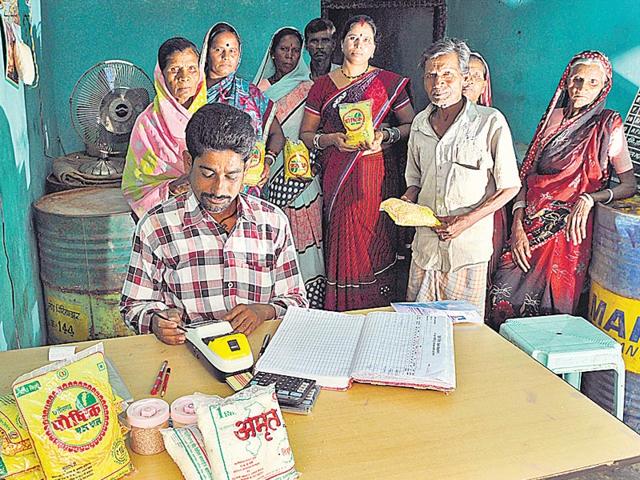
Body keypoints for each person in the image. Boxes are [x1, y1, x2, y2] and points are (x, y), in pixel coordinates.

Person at [120, 103, 308, 344]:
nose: (219, 189)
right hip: (188, 355)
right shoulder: (156, 226)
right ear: (188, 162)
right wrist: (156, 321)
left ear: (247, 167)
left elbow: (297, 301)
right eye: (207, 174)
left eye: (232, 176)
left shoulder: (271, 222)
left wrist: (265, 311)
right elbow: (133, 306)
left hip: (259, 353)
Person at [489, 51, 637, 328]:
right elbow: (526, 175)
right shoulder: (551, 119)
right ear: (566, 82)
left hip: (569, 233)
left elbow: (628, 185)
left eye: (593, 82)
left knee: (551, 317)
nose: (582, 88)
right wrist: (517, 226)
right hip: (529, 227)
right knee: (503, 298)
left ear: (604, 86)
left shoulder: (608, 125)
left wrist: (591, 199)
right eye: (577, 80)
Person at [300, 15, 415, 311]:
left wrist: (385, 134)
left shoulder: (388, 83)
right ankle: (342, 310)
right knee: (342, 234)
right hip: (338, 175)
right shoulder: (323, 86)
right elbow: (306, 134)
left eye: (365, 39)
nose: (358, 44)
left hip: (375, 176)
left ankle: (376, 306)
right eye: (353, 37)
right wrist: (332, 139)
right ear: (342, 44)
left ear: (374, 47)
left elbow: (411, 125)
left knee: (375, 237)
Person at [402, 38, 521, 317]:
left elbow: (509, 187)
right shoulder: (420, 123)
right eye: (431, 75)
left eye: (447, 74)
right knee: (418, 328)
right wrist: (407, 200)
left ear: (463, 77)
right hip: (426, 251)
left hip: (467, 253)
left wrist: (466, 220)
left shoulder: (489, 122)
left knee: (465, 337)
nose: (438, 83)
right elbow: (415, 178)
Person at [254, 27, 326, 308]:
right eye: (284, 49)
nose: (290, 55)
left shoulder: (310, 88)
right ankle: (279, 302)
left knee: (308, 238)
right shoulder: (258, 91)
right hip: (269, 175)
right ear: (273, 53)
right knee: (276, 238)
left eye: (296, 49)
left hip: (303, 179)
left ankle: (310, 301)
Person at [122, 37, 207, 218]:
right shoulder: (148, 124)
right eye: (174, 70)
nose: (184, 77)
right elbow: (136, 188)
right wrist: (172, 188)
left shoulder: (212, 117)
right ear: (161, 75)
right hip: (164, 216)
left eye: (192, 68)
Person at [200, 22, 285, 195]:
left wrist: (267, 161)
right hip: (205, 182)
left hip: (245, 187)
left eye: (232, 51)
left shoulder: (250, 93)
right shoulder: (193, 93)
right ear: (207, 53)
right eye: (219, 50)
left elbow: (278, 135)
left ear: (239, 56)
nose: (226, 56)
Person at [462, 51, 506, 291]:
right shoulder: (430, 120)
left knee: (478, 280)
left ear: (484, 85)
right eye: (465, 73)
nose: (469, 80)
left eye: (476, 76)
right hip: (443, 218)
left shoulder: (492, 122)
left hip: (484, 215)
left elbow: (507, 182)